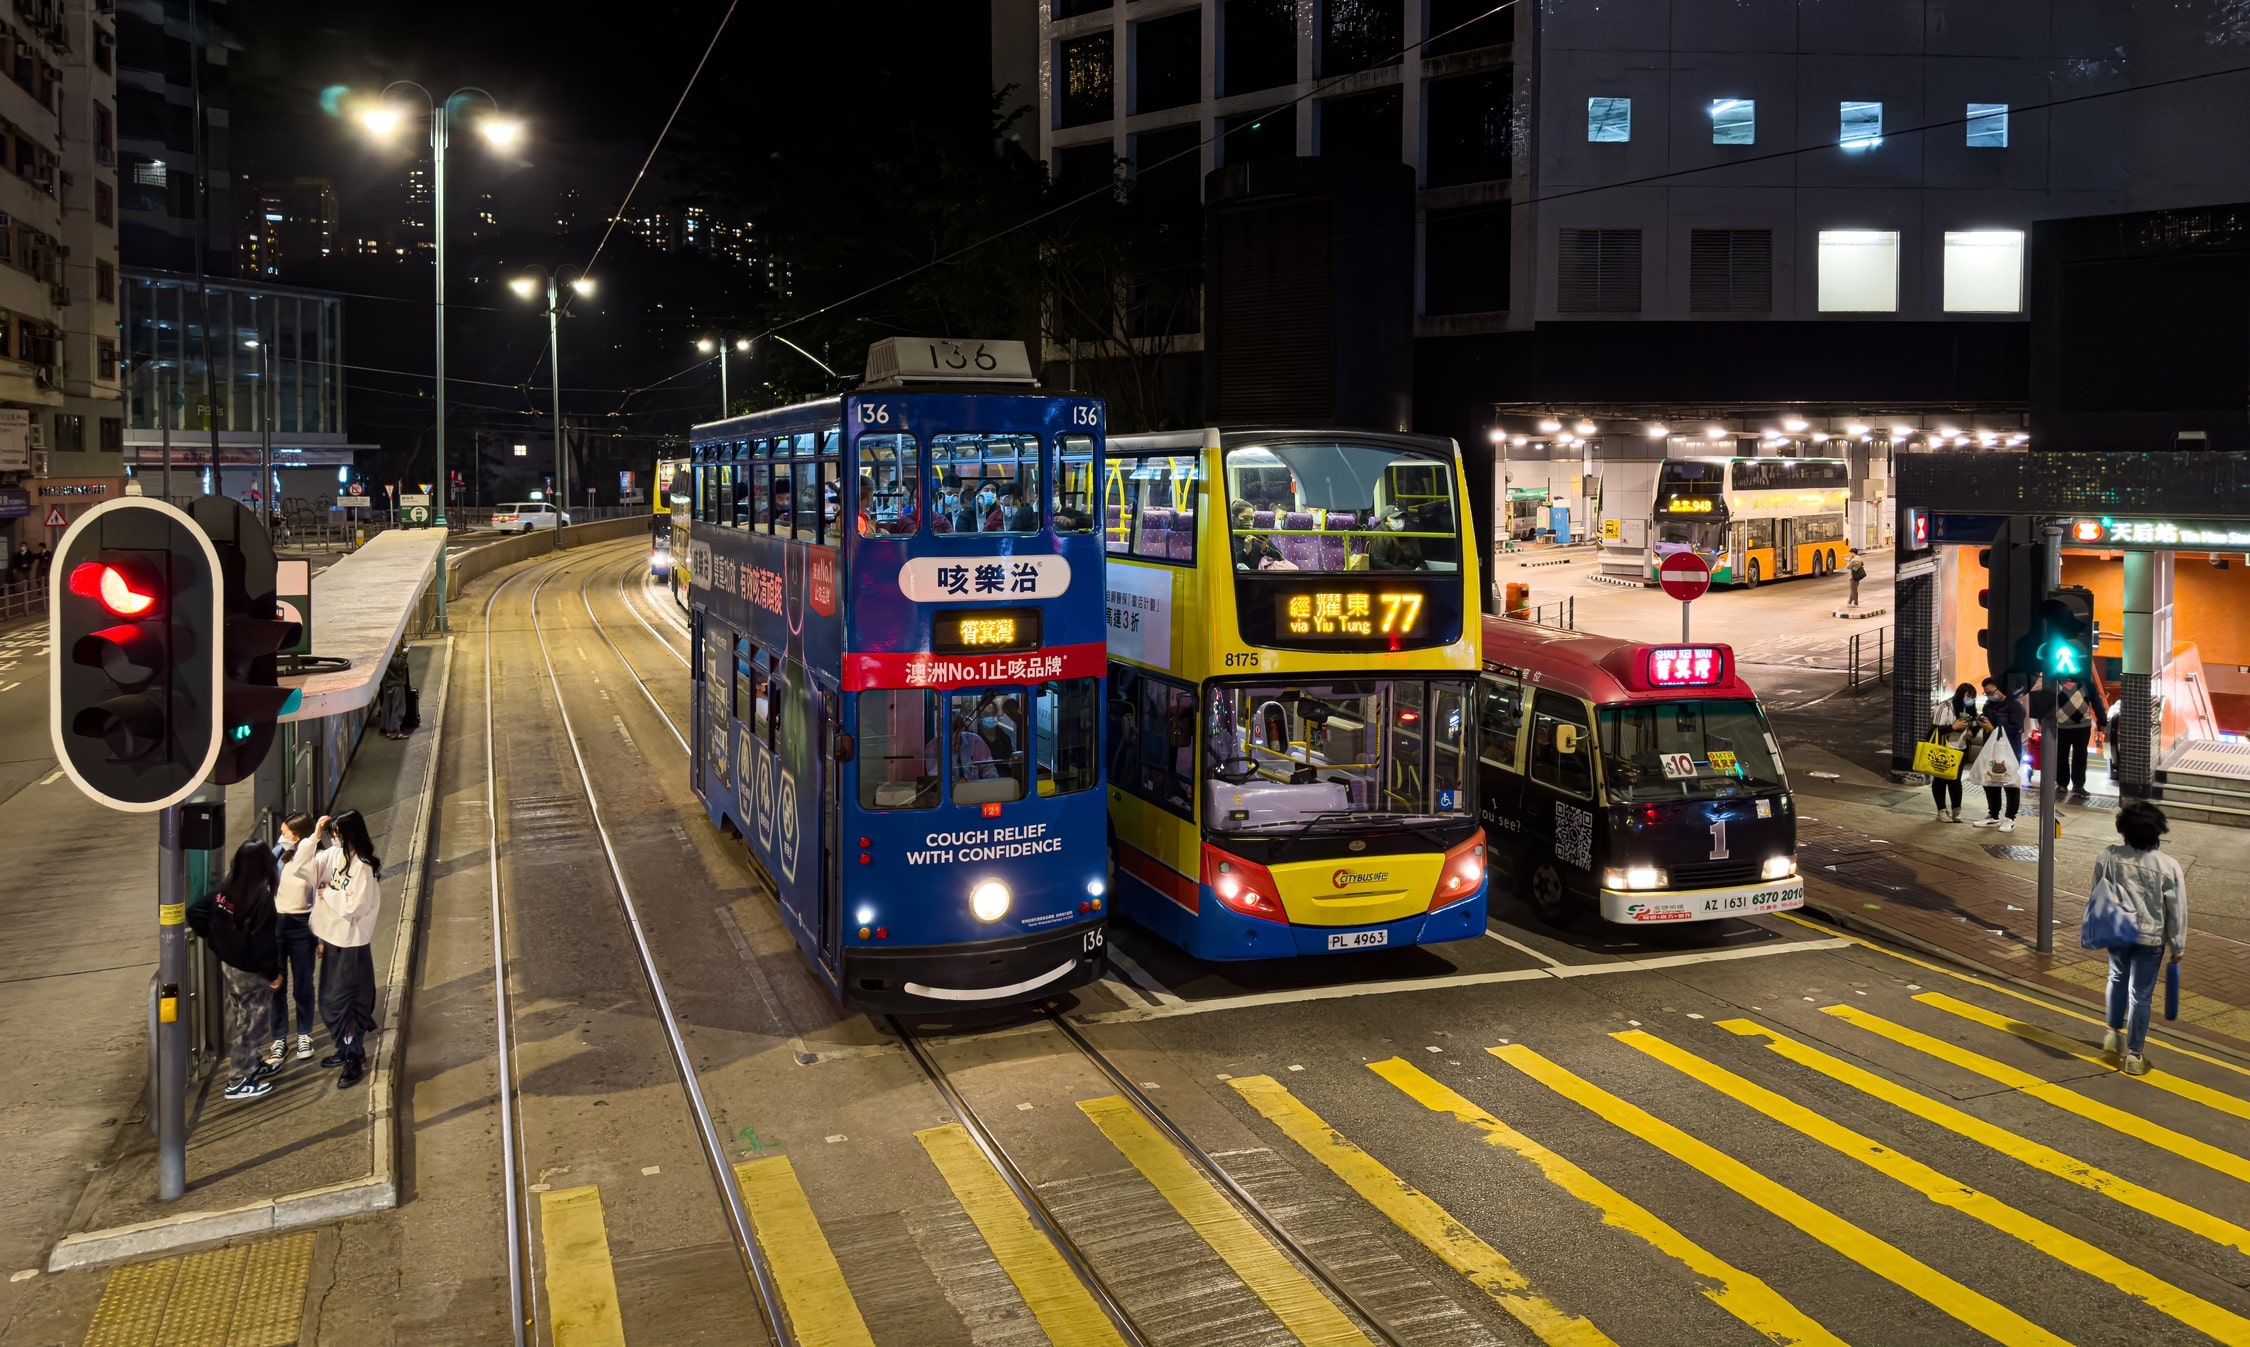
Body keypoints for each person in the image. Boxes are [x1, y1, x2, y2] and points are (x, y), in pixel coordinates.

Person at [2095, 801, 2187, 1076]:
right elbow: (2177, 910)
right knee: (2141, 995)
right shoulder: (2168, 866)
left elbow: (2097, 894)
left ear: (2124, 830)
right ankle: (2134, 1056)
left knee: (2116, 978)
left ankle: (2112, 1035)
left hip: (2118, 933)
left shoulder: (2108, 856)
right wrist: (2178, 945)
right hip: (2151, 938)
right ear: (2157, 831)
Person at [188, 840, 284, 1101]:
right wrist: (273, 973)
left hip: (230, 966)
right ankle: (238, 1080)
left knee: (243, 1016)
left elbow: (195, 912)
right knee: (251, 1024)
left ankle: (251, 1065)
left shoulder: (226, 890)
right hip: (250, 971)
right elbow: (264, 943)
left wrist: (217, 939)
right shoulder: (262, 897)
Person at [309, 810, 383, 1088]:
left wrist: (328, 893)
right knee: (329, 999)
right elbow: (305, 870)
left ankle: (353, 1056)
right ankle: (345, 1047)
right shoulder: (338, 856)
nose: (334, 837)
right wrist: (314, 837)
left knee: (345, 1001)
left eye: (337, 832)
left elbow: (356, 906)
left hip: (351, 943)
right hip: (334, 938)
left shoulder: (362, 866)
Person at [270, 812, 321, 1065]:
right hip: (277, 923)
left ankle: (304, 1034)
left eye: (284, 833)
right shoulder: (278, 854)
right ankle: (279, 1038)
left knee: (303, 984)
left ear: (298, 836)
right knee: (275, 984)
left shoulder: (316, 858)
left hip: (303, 926)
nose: (281, 837)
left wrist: (321, 938)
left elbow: (321, 896)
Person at [1972, 677, 2026, 830]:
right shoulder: (1989, 705)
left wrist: (1993, 728)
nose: (1990, 695)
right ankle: (1993, 815)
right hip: (1991, 749)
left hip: (2009, 750)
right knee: (1990, 781)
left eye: (1991, 692)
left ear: (2000, 688)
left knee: (2010, 782)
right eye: (1986, 693)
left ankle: (2010, 818)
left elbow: (2015, 729)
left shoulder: (2015, 706)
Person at [1928, 683, 1981, 822]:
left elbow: (1975, 724)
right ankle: (1941, 810)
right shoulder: (1945, 707)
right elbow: (1934, 731)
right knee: (1940, 779)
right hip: (1943, 749)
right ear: (1960, 695)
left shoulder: (1969, 709)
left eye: (1972, 697)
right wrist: (1953, 727)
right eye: (1968, 697)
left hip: (1960, 749)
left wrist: (1972, 732)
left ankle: (1956, 810)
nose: (1970, 700)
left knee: (1955, 780)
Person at [2055, 673, 2108, 804]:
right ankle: (2062, 783)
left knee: (2081, 755)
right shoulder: (2054, 683)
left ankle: (2078, 785)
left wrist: (2102, 720)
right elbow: (2046, 703)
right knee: (2061, 755)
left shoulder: (2086, 683)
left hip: (2082, 727)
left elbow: (2096, 702)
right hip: (2060, 727)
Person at [1367, 506, 1426, 571]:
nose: (1400, 520)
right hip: (1391, 575)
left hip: (1411, 573)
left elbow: (1420, 561)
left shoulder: (1408, 535)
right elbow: (1378, 562)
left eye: (1401, 517)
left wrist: (1420, 568)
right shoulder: (1378, 535)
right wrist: (1401, 572)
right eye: (1395, 518)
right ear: (1385, 521)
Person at [1231, 502, 1284, 570]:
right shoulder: (1228, 538)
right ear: (1234, 518)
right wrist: (1245, 552)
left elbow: (1281, 558)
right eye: (1245, 518)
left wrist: (1265, 549)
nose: (1249, 522)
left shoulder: (1258, 535)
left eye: (1252, 518)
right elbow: (1228, 563)